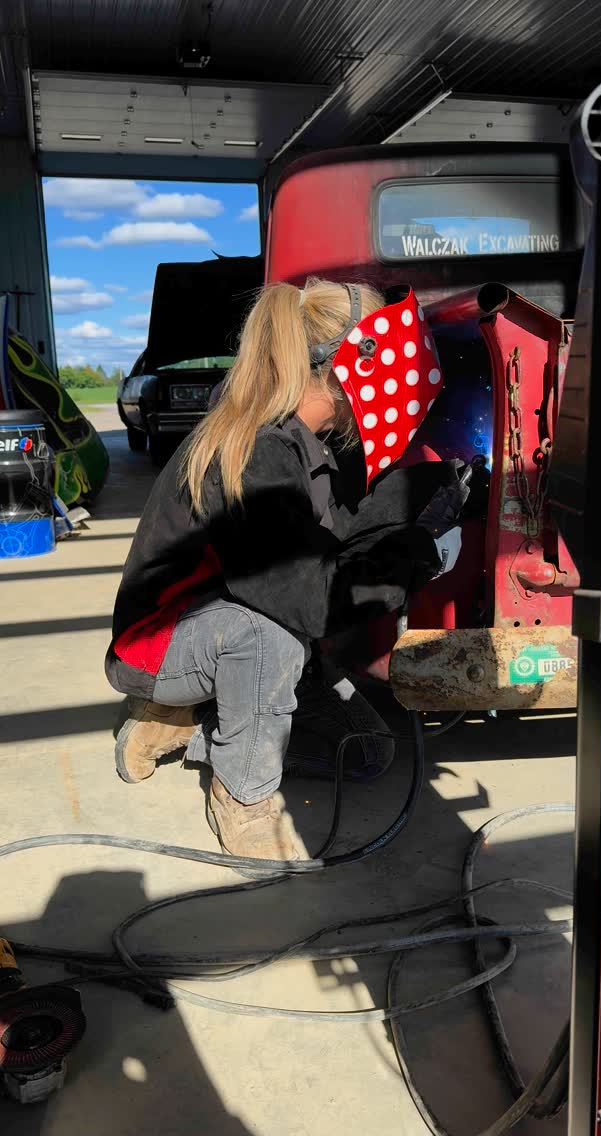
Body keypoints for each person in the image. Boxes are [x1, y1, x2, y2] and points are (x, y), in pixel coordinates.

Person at [106, 278, 467, 862]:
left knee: (368, 750)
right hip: (167, 642)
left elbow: (348, 533)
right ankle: (242, 794)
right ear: (351, 363)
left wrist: (427, 488)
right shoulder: (251, 453)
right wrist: (422, 554)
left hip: (247, 617)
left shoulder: (315, 444)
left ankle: (193, 729)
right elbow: (310, 600)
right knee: (265, 633)